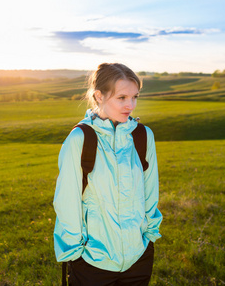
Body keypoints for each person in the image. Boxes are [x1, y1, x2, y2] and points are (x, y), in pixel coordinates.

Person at [53, 63, 163, 286]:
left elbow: (150, 191)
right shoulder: (80, 139)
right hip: (93, 262)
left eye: (135, 97)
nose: (130, 105)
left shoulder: (143, 136)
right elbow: (67, 201)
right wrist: (76, 252)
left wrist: (149, 236)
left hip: (138, 258)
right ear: (99, 96)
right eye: (121, 97)